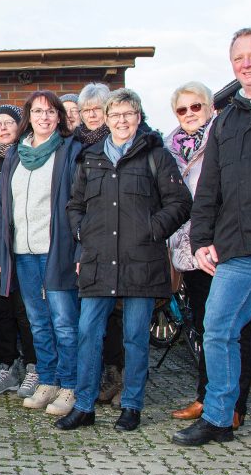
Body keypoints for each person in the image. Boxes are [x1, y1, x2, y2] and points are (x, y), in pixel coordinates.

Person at [61, 88, 192, 431]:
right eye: (114, 115)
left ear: (138, 117)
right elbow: (74, 206)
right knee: (88, 332)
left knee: (135, 337)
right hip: (98, 261)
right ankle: (84, 405)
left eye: (127, 114)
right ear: (105, 119)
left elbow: (180, 203)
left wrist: (152, 229)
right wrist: (82, 233)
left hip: (141, 262)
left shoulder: (157, 156)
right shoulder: (89, 158)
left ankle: (131, 406)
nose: (121, 121)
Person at [173, 27, 251, 449]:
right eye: (239, 58)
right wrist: (201, 240)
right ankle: (218, 418)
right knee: (217, 327)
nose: (246, 63)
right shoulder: (226, 120)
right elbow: (208, 188)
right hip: (240, 247)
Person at [166, 82, 251, 430]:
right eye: (182, 109)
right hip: (190, 251)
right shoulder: (172, 149)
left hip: (223, 246)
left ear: (210, 108)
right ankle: (206, 397)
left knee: (233, 328)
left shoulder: (222, 140)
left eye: (196, 107)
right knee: (204, 327)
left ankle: (234, 404)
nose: (189, 115)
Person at [0, 91, 82, 417]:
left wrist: (78, 248)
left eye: (50, 112)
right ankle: (47, 379)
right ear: (28, 117)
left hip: (55, 250)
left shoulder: (70, 151)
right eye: (38, 111)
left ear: (59, 117)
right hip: (23, 252)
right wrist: (1, 252)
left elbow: (78, 203)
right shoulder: (15, 154)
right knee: (38, 322)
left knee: (64, 322)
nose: (44, 117)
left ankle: (69, 385)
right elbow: (4, 205)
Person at [0, 105, 38, 398]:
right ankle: (7, 365)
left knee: (24, 312)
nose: (3, 127)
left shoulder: (29, 157)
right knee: (1, 313)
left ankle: (33, 367)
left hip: (23, 249)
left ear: (20, 126)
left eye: (8, 123)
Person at [73, 82, 125, 406]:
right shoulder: (76, 146)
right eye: (86, 110)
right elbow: (74, 200)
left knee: (119, 317)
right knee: (92, 320)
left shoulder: (119, 143)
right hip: (88, 244)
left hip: (120, 245)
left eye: (97, 109)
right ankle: (99, 380)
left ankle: (120, 379)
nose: (91, 115)